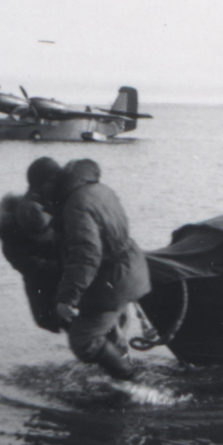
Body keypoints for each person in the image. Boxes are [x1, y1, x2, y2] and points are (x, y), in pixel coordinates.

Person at [51, 158, 151, 381]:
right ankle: (124, 367)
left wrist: (67, 298)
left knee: (83, 340)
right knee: (110, 329)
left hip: (115, 277)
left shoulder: (76, 204)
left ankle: (132, 382)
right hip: (132, 267)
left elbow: (87, 253)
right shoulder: (101, 190)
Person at [0, 157, 64, 332]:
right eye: (55, 181)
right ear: (43, 184)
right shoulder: (23, 221)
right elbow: (37, 267)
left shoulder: (48, 205)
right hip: (49, 301)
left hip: (58, 294)